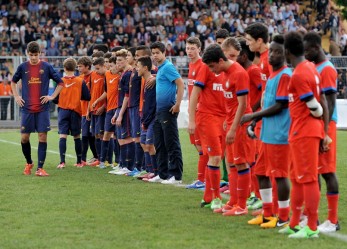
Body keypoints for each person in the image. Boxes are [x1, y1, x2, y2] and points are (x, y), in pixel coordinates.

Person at [241, 35, 291, 228]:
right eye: (271, 52)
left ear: (285, 54)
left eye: (277, 52)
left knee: (279, 175)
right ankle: (268, 213)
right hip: (266, 133)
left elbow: (280, 105)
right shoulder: (272, 75)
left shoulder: (285, 75)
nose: (272, 56)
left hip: (279, 134)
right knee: (261, 173)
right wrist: (256, 122)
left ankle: (284, 216)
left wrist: (253, 116)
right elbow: (267, 102)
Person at [279, 31, 324, 238]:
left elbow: (314, 106)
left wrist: (316, 118)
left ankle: (312, 227)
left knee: (308, 178)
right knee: (297, 179)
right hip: (302, 130)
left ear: (286, 51)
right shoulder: (311, 68)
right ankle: (295, 222)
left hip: (305, 130)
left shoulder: (298, 73)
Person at [203, 43, 254, 215]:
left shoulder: (238, 73)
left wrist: (233, 128)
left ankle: (242, 205)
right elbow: (230, 101)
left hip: (239, 124)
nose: (211, 70)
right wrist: (226, 119)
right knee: (231, 163)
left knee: (240, 163)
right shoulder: (224, 73)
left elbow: (243, 104)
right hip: (230, 122)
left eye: (212, 66)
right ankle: (233, 202)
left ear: (220, 60)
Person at [303, 31, 340, 232]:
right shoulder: (316, 67)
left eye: (307, 49)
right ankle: (312, 217)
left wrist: (325, 132)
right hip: (317, 124)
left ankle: (333, 220)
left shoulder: (327, 69)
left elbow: (330, 102)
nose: (304, 53)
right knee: (314, 172)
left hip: (327, 125)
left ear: (317, 48)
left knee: (327, 171)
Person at [11, 41, 63, 176]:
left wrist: (51, 97)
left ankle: (40, 168)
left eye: (36, 55)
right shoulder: (23, 67)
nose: (33, 57)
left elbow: (61, 83)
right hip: (27, 108)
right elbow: (13, 81)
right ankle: (29, 163)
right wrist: (16, 96)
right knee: (24, 138)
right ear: (28, 54)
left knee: (42, 137)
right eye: (31, 55)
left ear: (40, 54)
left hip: (42, 109)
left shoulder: (46, 66)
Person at [245, 22, 277, 220]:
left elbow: (273, 93)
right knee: (262, 167)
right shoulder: (263, 60)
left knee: (270, 167)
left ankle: (276, 210)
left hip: (272, 121)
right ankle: (268, 208)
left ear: (259, 40)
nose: (247, 45)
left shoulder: (271, 60)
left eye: (249, 41)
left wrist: (255, 116)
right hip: (264, 119)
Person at [188, 44, 226, 209]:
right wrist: (191, 120)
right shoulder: (205, 68)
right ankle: (216, 197)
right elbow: (195, 93)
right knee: (215, 157)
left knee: (219, 158)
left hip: (224, 118)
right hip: (207, 117)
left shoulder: (231, 69)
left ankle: (208, 195)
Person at [148, 41, 184, 185]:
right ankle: (162, 174)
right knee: (160, 143)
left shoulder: (168, 67)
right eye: (153, 53)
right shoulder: (160, 69)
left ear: (164, 53)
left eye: (158, 53)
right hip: (159, 110)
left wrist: (177, 104)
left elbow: (180, 83)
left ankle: (176, 175)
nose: (155, 55)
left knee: (171, 143)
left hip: (168, 109)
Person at [236, 38, 262, 211]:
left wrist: (251, 111)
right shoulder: (243, 72)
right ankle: (252, 192)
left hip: (253, 119)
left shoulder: (253, 71)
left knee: (253, 158)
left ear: (244, 56)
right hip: (246, 119)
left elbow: (263, 91)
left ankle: (257, 194)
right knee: (248, 158)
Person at [56, 58, 91, 169]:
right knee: (76, 136)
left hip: (63, 110)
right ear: (75, 67)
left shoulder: (60, 81)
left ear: (64, 68)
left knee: (63, 136)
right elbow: (87, 97)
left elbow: (54, 98)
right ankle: (79, 161)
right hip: (75, 111)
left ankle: (62, 162)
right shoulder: (80, 81)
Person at [185, 37, 208, 190]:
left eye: (193, 48)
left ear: (199, 49)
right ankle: (204, 178)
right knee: (197, 146)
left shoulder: (202, 66)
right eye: (188, 48)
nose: (190, 51)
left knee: (202, 147)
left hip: (201, 112)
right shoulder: (191, 65)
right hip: (193, 111)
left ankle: (203, 179)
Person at [92, 56, 120, 169]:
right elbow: (107, 92)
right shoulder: (107, 75)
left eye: (112, 65)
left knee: (118, 136)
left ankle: (118, 161)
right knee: (106, 134)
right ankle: (103, 161)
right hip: (109, 109)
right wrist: (97, 100)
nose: (111, 68)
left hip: (118, 108)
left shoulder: (120, 76)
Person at [111, 48, 134, 175]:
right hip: (120, 109)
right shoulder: (123, 75)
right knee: (120, 138)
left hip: (125, 110)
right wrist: (117, 112)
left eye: (120, 60)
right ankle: (123, 165)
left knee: (127, 138)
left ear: (126, 60)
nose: (117, 63)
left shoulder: (128, 74)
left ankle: (128, 166)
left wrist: (120, 113)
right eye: (117, 61)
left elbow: (127, 96)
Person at [137, 56, 158, 181]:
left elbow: (152, 105)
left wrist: (146, 120)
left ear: (145, 68)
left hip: (152, 118)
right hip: (146, 118)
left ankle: (156, 172)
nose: (136, 69)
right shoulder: (147, 81)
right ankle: (150, 171)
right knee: (143, 143)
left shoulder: (151, 82)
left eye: (138, 66)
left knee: (150, 145)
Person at [77, 56, 99, 166]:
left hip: (92, 110)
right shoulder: (80, 78)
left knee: (89, 134)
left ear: (87, 66)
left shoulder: (94, 75)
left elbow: (94, 93)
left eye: (80, 66)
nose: (79, 69)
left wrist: (90, 109)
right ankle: (92, 158)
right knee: (87, 134)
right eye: (78, 66)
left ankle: (86, 159)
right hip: (83, 110)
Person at [87, 57, 107, 167]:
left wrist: (103, 106)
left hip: (102, 109)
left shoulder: (106, 75)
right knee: (95, 134)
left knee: (103, 134)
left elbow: (109, 93)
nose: (96, 70)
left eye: (98, 68)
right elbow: (91, 93)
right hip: (93, 109)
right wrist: (88, 109)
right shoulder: (93, 75)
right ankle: (99, 158)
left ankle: (106, 159)